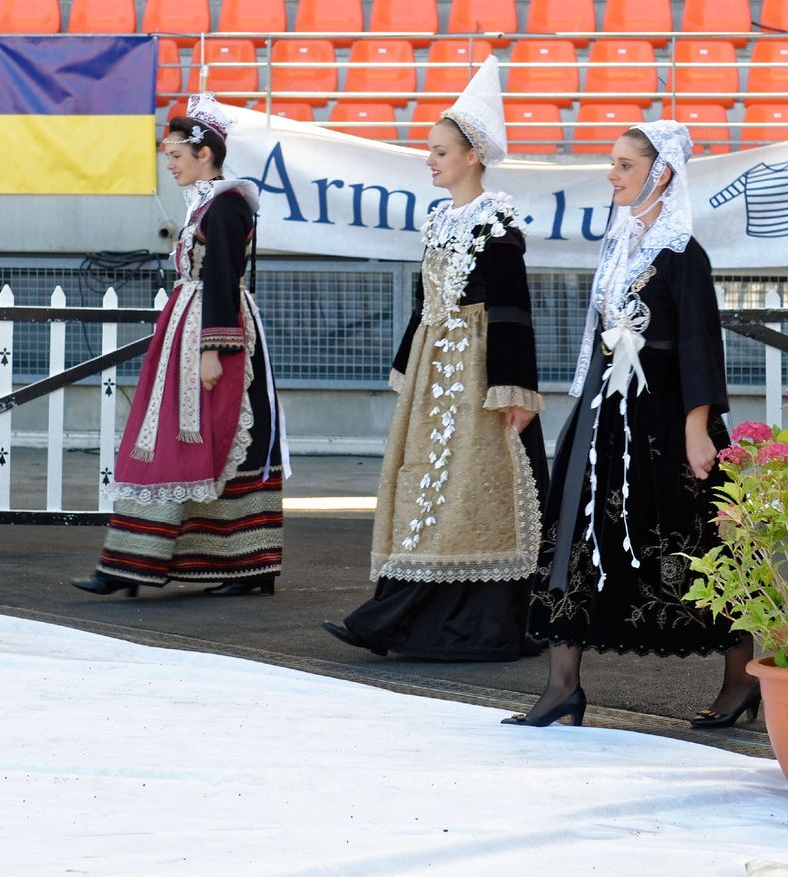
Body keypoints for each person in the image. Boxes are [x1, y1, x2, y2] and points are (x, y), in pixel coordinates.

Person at [511, 121, 756, 728]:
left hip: (667, 418)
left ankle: (739, 683)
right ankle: (561, 685)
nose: (612, 175)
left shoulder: (682, 255)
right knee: (574, 535)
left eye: (624, 165)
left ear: (661, 173)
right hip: (607, 416)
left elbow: (699, 345)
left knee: (701, 543)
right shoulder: (619, 246)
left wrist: (697, 430)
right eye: (613, 163)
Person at [321, 56, 549, 660]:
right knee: (425, 483)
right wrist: (409, 367)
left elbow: (510, 312)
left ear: (472, 156)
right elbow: (426, 302)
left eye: (440, 151)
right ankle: (401, 614)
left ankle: (466, 622)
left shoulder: (496, 226)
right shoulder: (439, 221)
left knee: (471, 487)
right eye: (430, 150)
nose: (430, 159)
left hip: (476, 372)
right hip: (435, 365)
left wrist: (513, 391)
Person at [71, 93, 288, 598]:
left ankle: (242, 563)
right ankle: (144, 560)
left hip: (214, 330)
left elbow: (221, 277)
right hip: (188, 325)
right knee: (185, 435)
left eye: (175, 155)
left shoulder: (228, 207)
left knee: (218, 435)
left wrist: (213, 349)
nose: (168, 164)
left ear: (204, 154)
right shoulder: (210, 205)